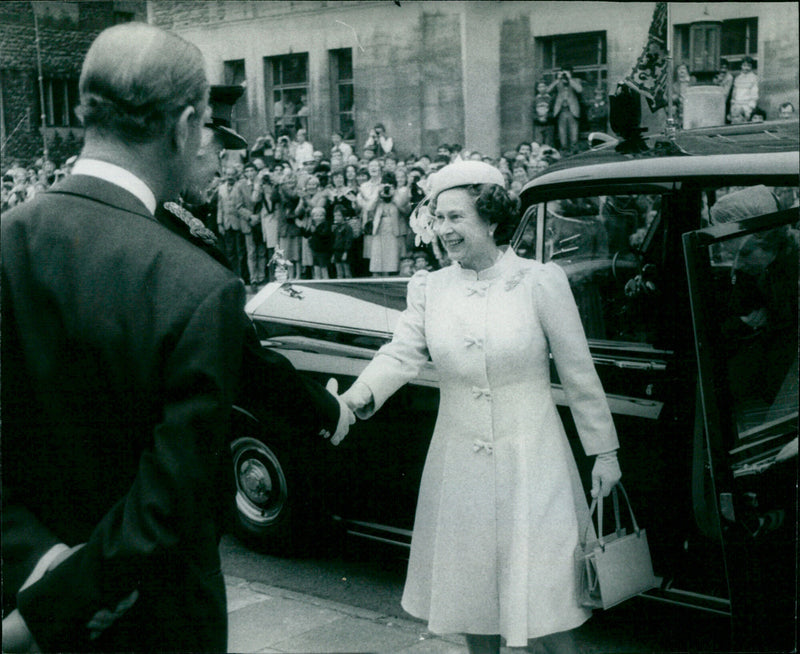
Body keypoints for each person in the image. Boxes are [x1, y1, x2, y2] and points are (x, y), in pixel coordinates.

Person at [1, 23, 248, 652]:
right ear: (185, 123)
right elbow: (170, 502)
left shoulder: (7, 242)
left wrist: (36, 561)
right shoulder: (199, 284)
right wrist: (53, 609)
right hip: (154, 623)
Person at [334, 160, 622, 654]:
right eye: (439, 218)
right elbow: (400, 354)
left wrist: (605, 453)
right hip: (460, 463)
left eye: (456, 218)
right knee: (475, 595)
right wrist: (353, 401)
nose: (444, 230)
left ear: (489, 218)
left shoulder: (538, 281)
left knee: (547, 599)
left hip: (533, 461)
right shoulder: (430, 289)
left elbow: (578, 372)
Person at [549, 67, 583, 153]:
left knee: (574, 134)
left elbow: (579, 90)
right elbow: (548, 90)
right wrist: (558, 79)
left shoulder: (576, 80)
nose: (564, 75)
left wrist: (570, 78)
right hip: (561, 111)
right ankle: (564, 151)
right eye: (563, 73)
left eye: (566, 73)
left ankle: (574, 151)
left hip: (572, 111)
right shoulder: (558, 82)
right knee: (562, 134)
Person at [729, 56, 759, 124]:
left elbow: (754, 95)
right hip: (737, 105)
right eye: (744, 65)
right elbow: (734, 93)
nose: (746, 68)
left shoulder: (754, 78)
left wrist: (750, 108)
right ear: (741, 66)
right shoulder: (738, 78)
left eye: (748, 66)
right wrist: (733, 106)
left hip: (747, 106)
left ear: (751, 67)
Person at [533, 80, 555, 147]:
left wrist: (547, 116)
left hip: (549, 124)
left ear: (547, 87)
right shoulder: (535, 99)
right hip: (538, 124)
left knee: (549, 142)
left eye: (544, 86)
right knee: (538, 142)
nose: (542, 88)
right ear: (537, 89)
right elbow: (532, 112)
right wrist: (538, 118)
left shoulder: (551, 99)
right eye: (540, 87)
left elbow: (554, 111)